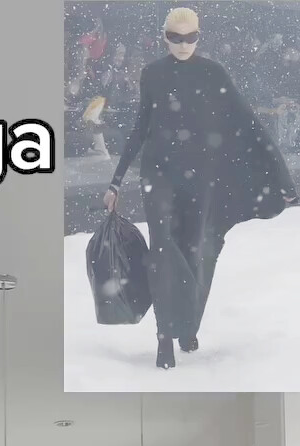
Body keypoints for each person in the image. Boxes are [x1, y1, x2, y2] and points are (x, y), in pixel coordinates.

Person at [103, 7, 298, 370]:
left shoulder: (213, 73)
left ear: (199, 36)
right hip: (158, 173)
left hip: (201, 176)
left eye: (190, 37)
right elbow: (141, 127)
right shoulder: (152, 74)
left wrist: (281, 175)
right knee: (163, 249)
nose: (183, 44)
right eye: (175, 37)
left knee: (196, 251)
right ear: (165, 37)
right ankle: (165, 336)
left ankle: (187, 324)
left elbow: (249, 122)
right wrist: (115, 181)